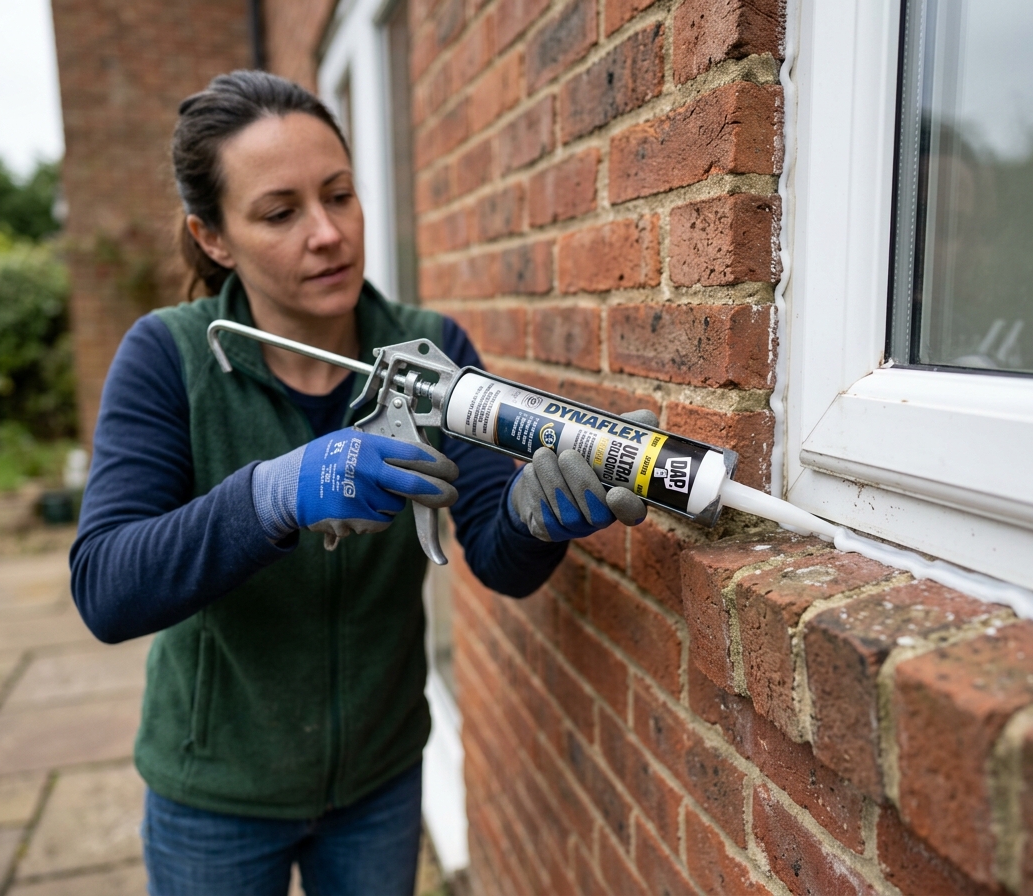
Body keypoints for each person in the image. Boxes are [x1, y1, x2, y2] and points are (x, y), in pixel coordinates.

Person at [69, 70, 655, 896]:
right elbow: (106, 588)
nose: (327, 233)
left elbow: (497, 557)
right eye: (280, 213)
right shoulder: (167, 357)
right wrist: (272, 494)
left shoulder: (431, 349)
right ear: (213, 238)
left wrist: (533, 516)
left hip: (379, 783)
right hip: (218, 799)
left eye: (339, 195)